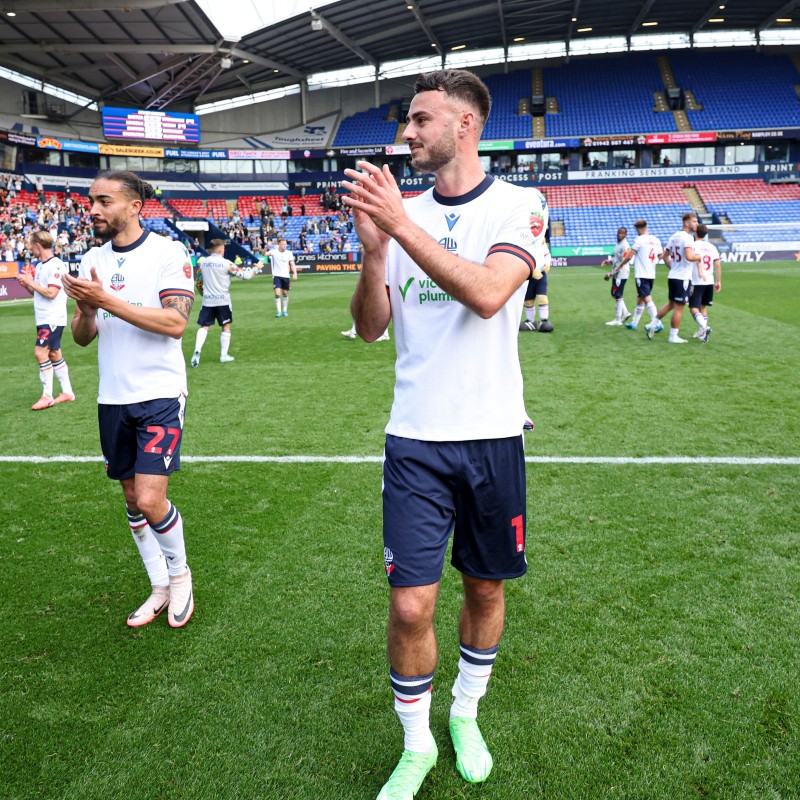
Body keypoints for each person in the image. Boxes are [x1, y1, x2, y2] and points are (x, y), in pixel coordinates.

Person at [343, 69, 547, 799]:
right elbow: (370, 329)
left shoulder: (521, 205)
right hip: (416, 440)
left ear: (465, 124)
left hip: (493, 435)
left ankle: (465, 713)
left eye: (421, 119)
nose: (407, 133)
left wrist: (400, 227)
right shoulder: (403, 217)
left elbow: (491, 294)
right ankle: (417, 741)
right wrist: (375, 254)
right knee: (409, 603)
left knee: (486, 590)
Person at [62, 170, 195, 629]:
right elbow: (82, 338)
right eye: (91, 201)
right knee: (131, 498)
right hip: (112, 396)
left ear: (135, 206)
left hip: (158, 393)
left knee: (152, 498)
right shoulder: (90, 259)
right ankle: (158, 585)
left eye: (103, 201)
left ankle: (180, 578)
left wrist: (105, 299)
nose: (93, 210)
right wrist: (84, 309)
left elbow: (175, 323)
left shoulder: (168, 252)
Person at [16, 231, 75, 410]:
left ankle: (47, 395)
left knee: (40, 352)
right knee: (54, 354)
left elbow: (51, 293)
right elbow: (38, 294)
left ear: (37, 245)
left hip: (52, 318)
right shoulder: (41, 266)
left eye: (30, 244)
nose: (29, 248)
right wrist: (28, 285)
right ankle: (67, 392)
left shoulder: (55, 265)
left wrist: (31, 282)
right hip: (43, 318)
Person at [190, 238, 256, 367]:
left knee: (204, 326)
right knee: (225, 326)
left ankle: (197, 349)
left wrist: (204, 294)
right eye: (224, 248)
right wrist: (256, 269)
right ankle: (223, 355)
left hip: (208, 300)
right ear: (220, 250)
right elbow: (245, 276)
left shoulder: (203, 263)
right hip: (222, 300)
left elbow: (198, 282)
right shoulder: (227, 264)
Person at [647, 212, 702, 343]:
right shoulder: (688, 238)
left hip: (673, 276)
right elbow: (689, 257)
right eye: (694, 221)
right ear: (687, 223)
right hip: (682, 278)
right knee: (679, 307)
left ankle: (652, 325)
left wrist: (672, 268)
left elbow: (664, 255)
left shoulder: (674, 236)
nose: (697, 224)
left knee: (671, 304)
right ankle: (673, 336)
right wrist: (698, 257)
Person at [617, 219, 663, 332]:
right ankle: (634, 323)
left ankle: (657, 322)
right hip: (652, 273)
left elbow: (629, 256)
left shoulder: (639, 240)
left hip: (642, 274)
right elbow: (661, 255)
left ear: (638, 228)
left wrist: (620, 265)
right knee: (640, 298)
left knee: (647, 298)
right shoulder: (656, 240)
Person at [689, 224, 722, 343]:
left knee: (693, 308)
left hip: (697, 280)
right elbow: (717, 264)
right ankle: (703, 334)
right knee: (702, 306)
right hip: (709, 280)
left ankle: (705, 327)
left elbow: (696, 260)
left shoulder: (692, 245)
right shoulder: (712, 247)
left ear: (695, 233)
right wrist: (718, 281)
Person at [601, 227, 632, 326]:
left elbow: (623, 262)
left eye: (621, 233)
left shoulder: (625, 246)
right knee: (615, 293)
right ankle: (625, 313)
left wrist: (611, 274)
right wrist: (609, 261)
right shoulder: (618, 243)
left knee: (617, 294)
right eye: (618, 233)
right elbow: (617, 258)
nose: (619, 235)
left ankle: (618, 319)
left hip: (621, 273)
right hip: (617, 273)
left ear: (625, 234)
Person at [268, 238, 297, 317]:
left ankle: (284, 311)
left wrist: (295, 273)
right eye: (283, 244)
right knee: (277, 293)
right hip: (276, 275)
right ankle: (279, 312)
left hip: (286, 276)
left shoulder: (289, 253)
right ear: (279, 244)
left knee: (285, 293)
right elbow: (264, 254)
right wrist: (266, 247)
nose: (284, 246)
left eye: (285, 244)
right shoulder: (274, 252)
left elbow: (292, 264)